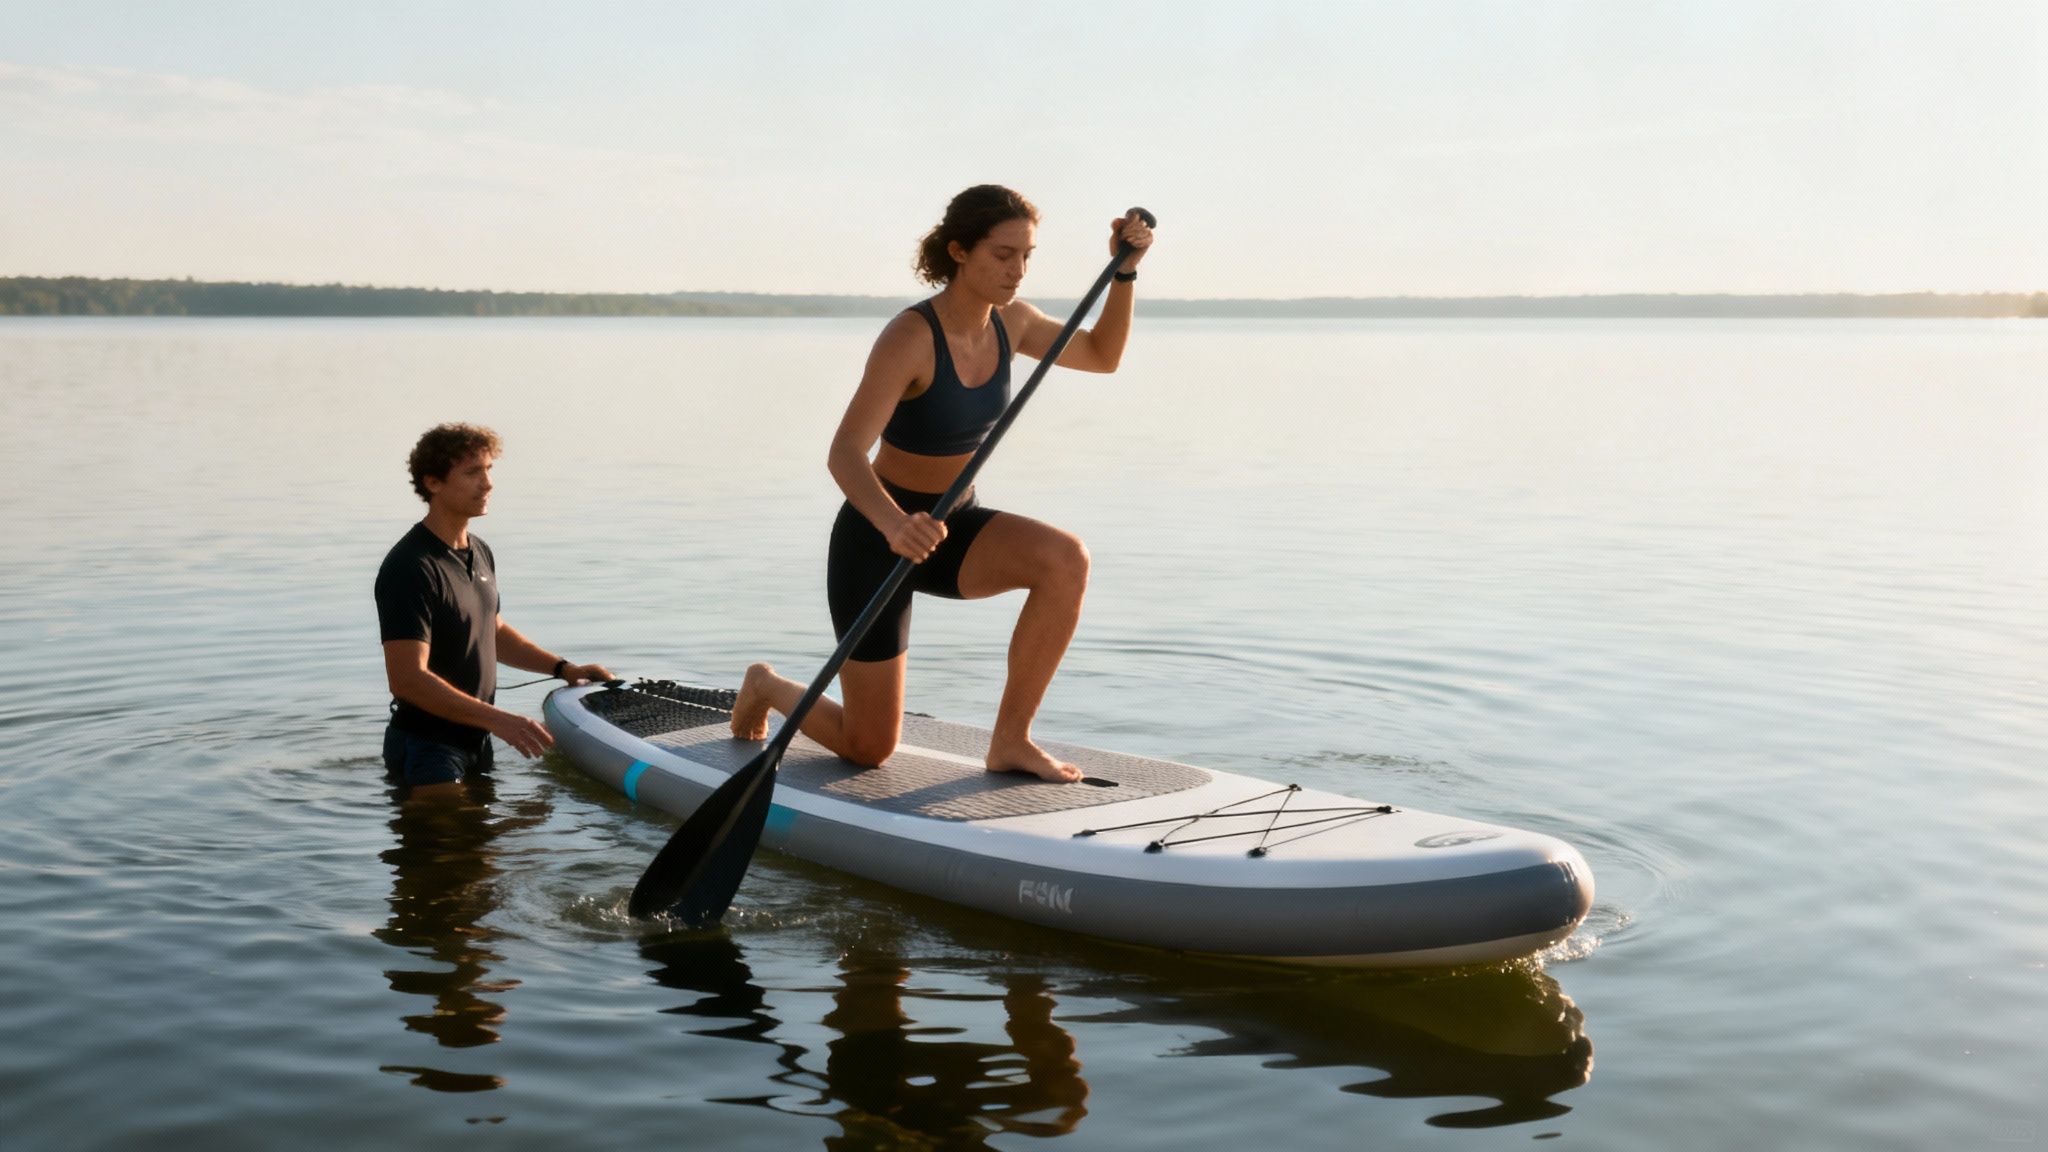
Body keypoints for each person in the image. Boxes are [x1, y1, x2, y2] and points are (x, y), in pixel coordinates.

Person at [730, 186, 1154, 782]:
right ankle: (768, 685)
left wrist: (1124, 274)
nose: (1018, 270)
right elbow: (845, 453)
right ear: (959, 251)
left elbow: (1103, 355)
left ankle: (1011, 741)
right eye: (1003, 255)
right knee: (868, 748)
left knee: (1065, 560)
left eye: (1027, 255)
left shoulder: (1017, 322)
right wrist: (894, 524)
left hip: (953, 527)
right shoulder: (910, 338)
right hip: (876, 538)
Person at [375, 423, 614, 795]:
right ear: (433, 482)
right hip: (428, 748)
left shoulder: (480, 551)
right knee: (444, 849)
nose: (487, 484)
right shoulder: (411, 566)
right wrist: (502, 720)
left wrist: (563, 668)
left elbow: (492, 630)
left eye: (489, 470)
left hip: (476, 741)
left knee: (482, 851)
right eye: (472, 472)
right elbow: (406, 679)